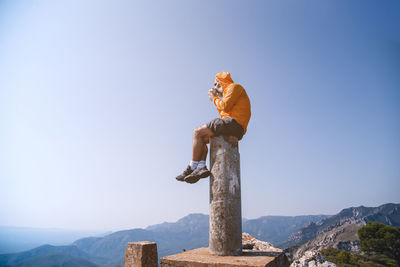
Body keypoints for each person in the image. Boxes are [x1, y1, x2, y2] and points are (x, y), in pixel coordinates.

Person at [176, 71, 251, 184]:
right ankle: (201, 166)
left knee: (197, 133)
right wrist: (217, 98)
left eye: (217, 83)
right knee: (201, 141)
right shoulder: (228, 93)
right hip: (235, 126)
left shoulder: (234, 87)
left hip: (233, 123)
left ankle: (191, 167)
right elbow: (225, 110)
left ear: (222, 81)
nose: (215, 87)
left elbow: (225, 107)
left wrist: (214, 98)